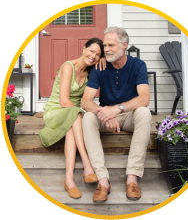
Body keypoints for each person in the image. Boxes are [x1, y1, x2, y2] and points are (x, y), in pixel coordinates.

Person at [81, 27, 152, 202]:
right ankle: (103, 180)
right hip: (105, 117)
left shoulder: (138, 65)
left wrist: (117, 109)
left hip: (128, 116)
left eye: (111, 45)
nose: (106, 49)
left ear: (124, 45)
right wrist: (106, 113)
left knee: (144, 113)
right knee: (88, 116)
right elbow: (85, 101)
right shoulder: (100, 67)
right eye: (105, 45)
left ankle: (132, 178)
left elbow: (144, 99)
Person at [39, 38, 106, 199]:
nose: (94, 56)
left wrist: (104, 59)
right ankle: (87, 165)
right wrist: (79, 112)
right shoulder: (68, 66)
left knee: (71, 127)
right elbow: (64, 101)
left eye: (98, 55)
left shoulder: (91, 72)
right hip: (57, 110)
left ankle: (69, 179)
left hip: (71, 115)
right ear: (84, 48)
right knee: (75, 115)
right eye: (91, 51)